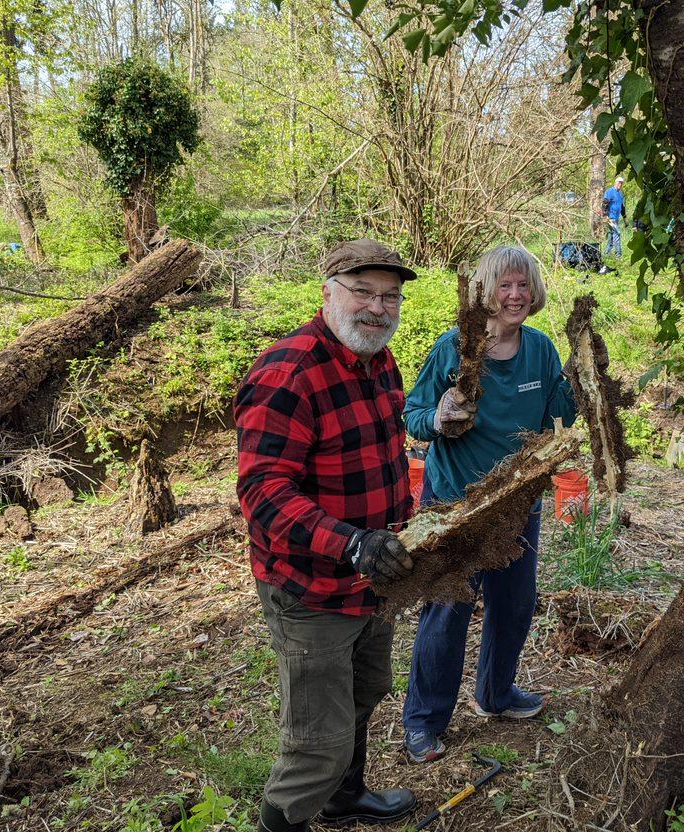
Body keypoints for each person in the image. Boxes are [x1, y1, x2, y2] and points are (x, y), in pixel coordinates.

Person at [234, 239, 420, 832]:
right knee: (318, 744)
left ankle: (344, 799)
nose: (377, 307)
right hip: (310, 586)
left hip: (374, 577)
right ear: (329, 293)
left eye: (389, 296)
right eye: (363, 291)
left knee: (368, 689)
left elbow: (385, 454)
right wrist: (350, 543)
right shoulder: (288, 374)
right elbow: (261, 491)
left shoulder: (379, 360)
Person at [400, 245, 579, 764]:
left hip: (517, 501)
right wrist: (438, 415)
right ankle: (424, 721)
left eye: (524, 285)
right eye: (505, 285)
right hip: (456, 503)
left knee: (515, 603)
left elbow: (557, 413)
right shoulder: (454, 349)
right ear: (486, 291)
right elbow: (412, 416)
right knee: (447, 608)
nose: (516, 295)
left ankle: (496, 694)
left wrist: (585, 377)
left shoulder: (541, 351)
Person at [602, 176, 626, 258]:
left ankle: (606, 253)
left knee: (612, 236)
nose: (620, 184)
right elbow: (605, 203)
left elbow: (622, 207)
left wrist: (625, 219)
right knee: (617, 233)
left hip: (616, 218)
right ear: (615, 183)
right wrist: (605, 216)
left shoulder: (620, 194)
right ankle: (618, 255)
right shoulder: (610, 191)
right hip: (610, 217)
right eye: (619, 182)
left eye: (621, 183)